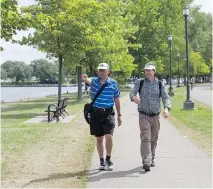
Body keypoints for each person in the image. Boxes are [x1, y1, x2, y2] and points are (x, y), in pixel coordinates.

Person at [129, 62, 171, 171]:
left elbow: (166, 98)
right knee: (146, 137)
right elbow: (132, 93)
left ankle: (152, 157)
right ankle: (146, 160)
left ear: (154, 71)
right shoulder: (140, 82)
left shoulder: (160, 84)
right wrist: (134, 98)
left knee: (154, 138)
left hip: (156, 116)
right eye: (146, 70)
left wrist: (166, 109)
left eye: (149, 70)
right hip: (144, 115)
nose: (147, 72)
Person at [82, 63, 122, 171]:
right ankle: (101, 161)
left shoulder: (113, 83)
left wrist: (119, 115)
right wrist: (85, 79)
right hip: (96, 113)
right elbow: (88, 80)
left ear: (108, 71)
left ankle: (108, 159)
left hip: (108, 113)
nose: (101, 72)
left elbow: (117, 100)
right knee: (99, 139)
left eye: (103, 70)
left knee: (109, 136)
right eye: (100, 70)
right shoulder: (94, 81)